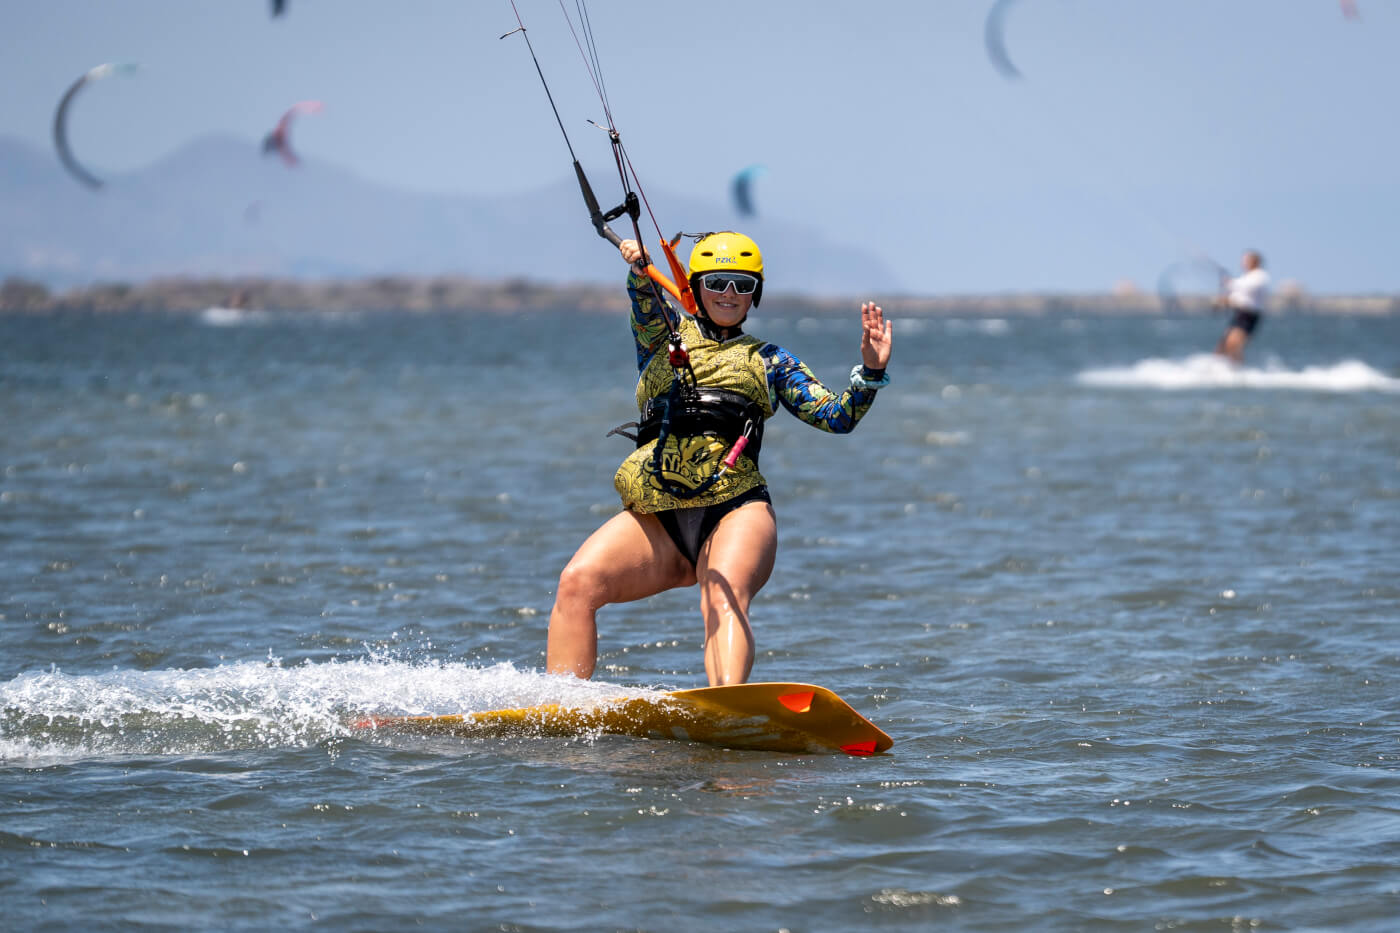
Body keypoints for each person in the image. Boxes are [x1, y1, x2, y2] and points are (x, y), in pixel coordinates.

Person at [545, 231, 892, 686]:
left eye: (743, 286)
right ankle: (560, 706)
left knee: (721, 595)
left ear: (755, 295)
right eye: (719, 282)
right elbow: (646, 298)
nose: (730, 295)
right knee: (577, 583)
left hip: (735, 508)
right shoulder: (661, 340)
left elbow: (836, 416)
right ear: (696, 284)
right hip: (660, 513)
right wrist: (639, 265)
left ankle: (729, 701)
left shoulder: (769, 360)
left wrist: (870, 373)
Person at [1214, 249, 1270, 363]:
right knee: (1222, 346)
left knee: (1233, 344)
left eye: (1245, 260)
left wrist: (1229, 283)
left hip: (1249, 315)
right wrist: (1225, 300)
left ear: (1254, 261)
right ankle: (1221, 368)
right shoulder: (1246, 277)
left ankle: (1237, 369)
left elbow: (1244, 288)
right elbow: (1238, 295)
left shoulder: (1260, 276)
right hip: (1239, 314)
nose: (1243, 263)